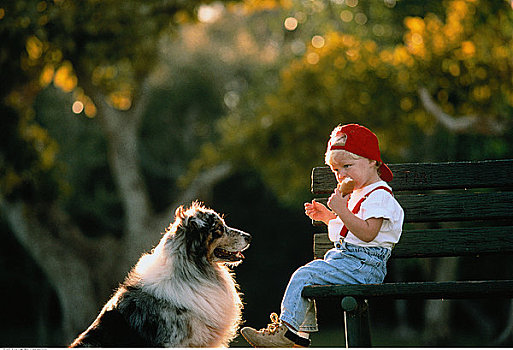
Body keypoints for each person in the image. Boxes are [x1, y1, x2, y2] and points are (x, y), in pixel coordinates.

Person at [240, 123, 404, 347]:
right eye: (336, 170)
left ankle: (285, 335)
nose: (341, 175)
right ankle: (298, 338)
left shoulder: (379, 195)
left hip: (365, 266)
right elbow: (350, 230)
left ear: (372, 161)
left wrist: (342, 210)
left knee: (304, 276)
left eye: (347, 166)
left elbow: (367, 233)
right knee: (308, 278)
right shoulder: (360, 192)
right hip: (352, 261)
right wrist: (328, 217)